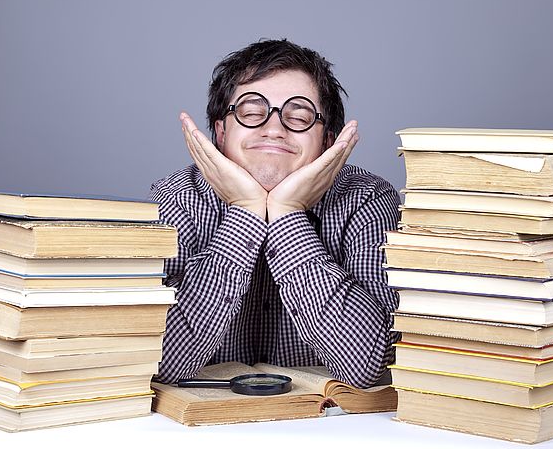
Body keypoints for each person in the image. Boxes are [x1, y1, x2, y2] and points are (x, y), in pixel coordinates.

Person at [149, 39, 400, 388]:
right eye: (251, 113)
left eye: (298, 116)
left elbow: (369, 366)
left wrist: (288, 216)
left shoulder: (366, 199)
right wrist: (244, 214)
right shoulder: (178, 199)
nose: (274, 129)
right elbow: (156, 361)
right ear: (220, 132)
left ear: (328, 140)